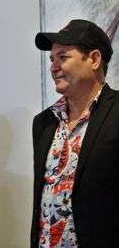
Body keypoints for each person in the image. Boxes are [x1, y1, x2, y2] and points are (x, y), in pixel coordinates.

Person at [31, 19, 118, 247]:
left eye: (63, 57)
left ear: (94, 59)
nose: (53, 67)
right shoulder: (43, 123)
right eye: (52, 59)